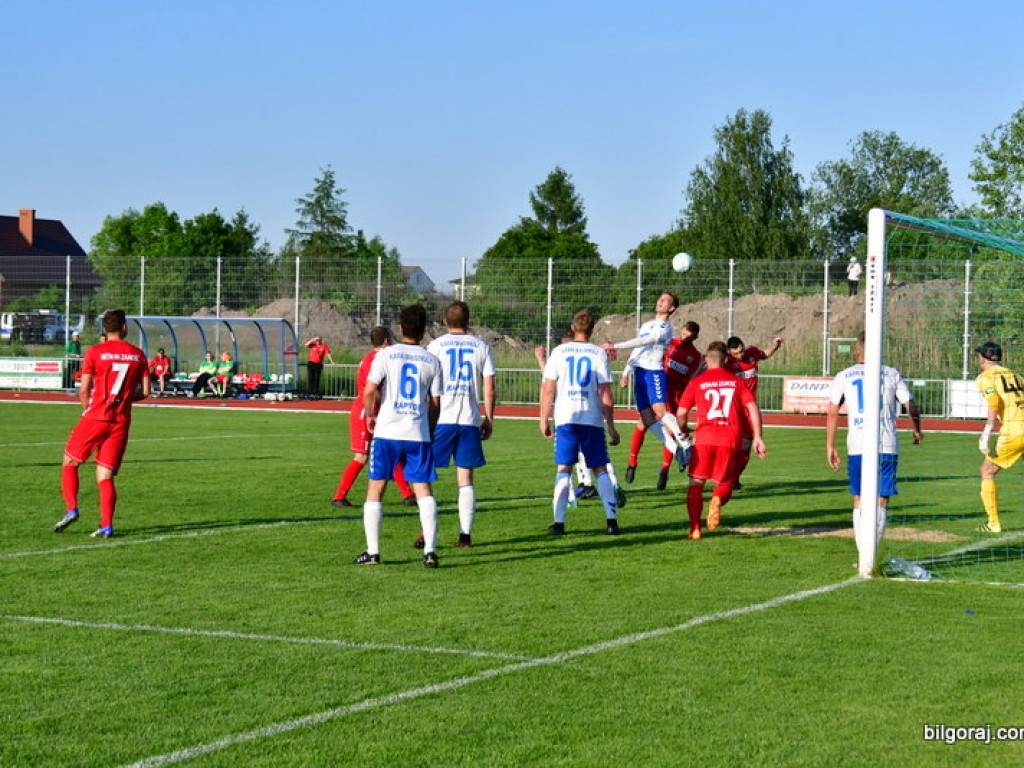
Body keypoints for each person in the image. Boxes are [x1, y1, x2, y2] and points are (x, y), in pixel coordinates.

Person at [354, 305, 442, 567]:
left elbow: (369, 390)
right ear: (424, 330)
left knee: (376, 487)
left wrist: (371, 415)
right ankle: (430, 551)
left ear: (401, 328)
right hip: (417, 432)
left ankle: (373, 552)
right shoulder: (431, 360)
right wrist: (430, 428)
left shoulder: (387, 354)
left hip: (387, 431)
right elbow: (435, 403)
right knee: (423, 489)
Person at [53, 309, 150, 538]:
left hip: (97, 416)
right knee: (105, 476)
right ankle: (106, 525)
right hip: (121, 421)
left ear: (104, 330)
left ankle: (71, 509)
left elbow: (84, 389)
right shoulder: (138, 355)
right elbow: (146, 391)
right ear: (124, 328)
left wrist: (87, 409)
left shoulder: (95, 352)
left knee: (70, 461)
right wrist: (124, 399)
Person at [826, 332, 922, 562]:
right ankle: (871, 553)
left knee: (859, 496)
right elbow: (911, 404)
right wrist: (917, 429)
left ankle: (863, 555)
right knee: (882, 498)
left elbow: (832, 411)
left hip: (857, 443)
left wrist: (830, 445)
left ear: (857, 351)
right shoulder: (891, 373)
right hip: (885, 443)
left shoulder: (845, 375)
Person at [540, 309, 622, 535]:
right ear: (593, 329)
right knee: (600, 469)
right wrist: (611, 426)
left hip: (566, 418)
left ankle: (558, 524)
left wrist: (543, 418)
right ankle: (611, 522)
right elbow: (605, 392)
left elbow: (548, 388)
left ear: (573, 328)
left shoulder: (559, 351)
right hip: (591, 418)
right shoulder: (598, 353)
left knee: (564, 468)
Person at [425, 301, 496, 547]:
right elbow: (489, 385)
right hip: (468, 419)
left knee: (425, 476)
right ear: (469, 321)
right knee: (465, 479)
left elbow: (427, 384)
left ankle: (428, 531)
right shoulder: (481, 346)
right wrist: (489, 416)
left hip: (440, 419)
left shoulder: (434, 346)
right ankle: (465, 535)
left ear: (445, 322)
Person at [678, 341, 766, 539]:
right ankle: (717, 499)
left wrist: (683, 429)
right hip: (730, 439)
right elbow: (752, 408)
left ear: (706, 359)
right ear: (726, 360)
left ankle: (695, 529)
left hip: (703, 439)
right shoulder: (736, 382)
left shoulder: (696, 382)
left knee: (695, 484)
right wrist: (758, 437)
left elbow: (682, 413)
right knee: (726, 483)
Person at [601, 291, 689, 470]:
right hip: (639, 373)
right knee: (648, 418)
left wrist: (615, 345)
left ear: (671, 308)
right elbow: (638, 350)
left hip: (653, 372)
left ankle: (687, 445)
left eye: (665, 301)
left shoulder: (665, 327)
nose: (661, 302)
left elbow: (644, 341)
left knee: (660, 411)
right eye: (660, 298)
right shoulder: (648, 324)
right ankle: (676, 450)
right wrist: (627, 371)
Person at [332, 327, 417, 508]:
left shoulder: (374, 358)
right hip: (366, 411)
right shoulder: (377, 359)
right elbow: (371, 391)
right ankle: (339, 497)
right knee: (361, 457)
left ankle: (408, 495)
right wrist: (388, 399)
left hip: (375, 411)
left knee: (390, 451)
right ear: (386, 341)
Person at [624, 320, 703, 491]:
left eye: (690, 335)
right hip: (657, 388)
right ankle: (632, 463)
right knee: (643, 424)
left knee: (669, 430)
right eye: (685, 332)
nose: (686, 336)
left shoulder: (695, 356)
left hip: (674, 396)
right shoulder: (670, 343)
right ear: (682, 330)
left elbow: (691, 379)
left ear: (695, 337)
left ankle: (665, 470)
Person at [974, 341, 1024, 534]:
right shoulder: (1016, 375)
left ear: (983, 357)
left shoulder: (985, 377)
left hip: (1014, 430)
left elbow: (994, 401)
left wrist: (986, 432)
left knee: (987, 470)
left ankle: (993, 523)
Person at [724, 334, 782, 488]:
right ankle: (723, 475)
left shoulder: (752, 353)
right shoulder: (726, 362)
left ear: (744, 346)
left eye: (741, 351)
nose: (739, 355)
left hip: (750, 410)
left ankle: (734, 478)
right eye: (735, 353)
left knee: (746, 447)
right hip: (733, 409)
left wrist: (775, 346)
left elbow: (764, 354)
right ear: (729, 352)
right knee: (730, 445)